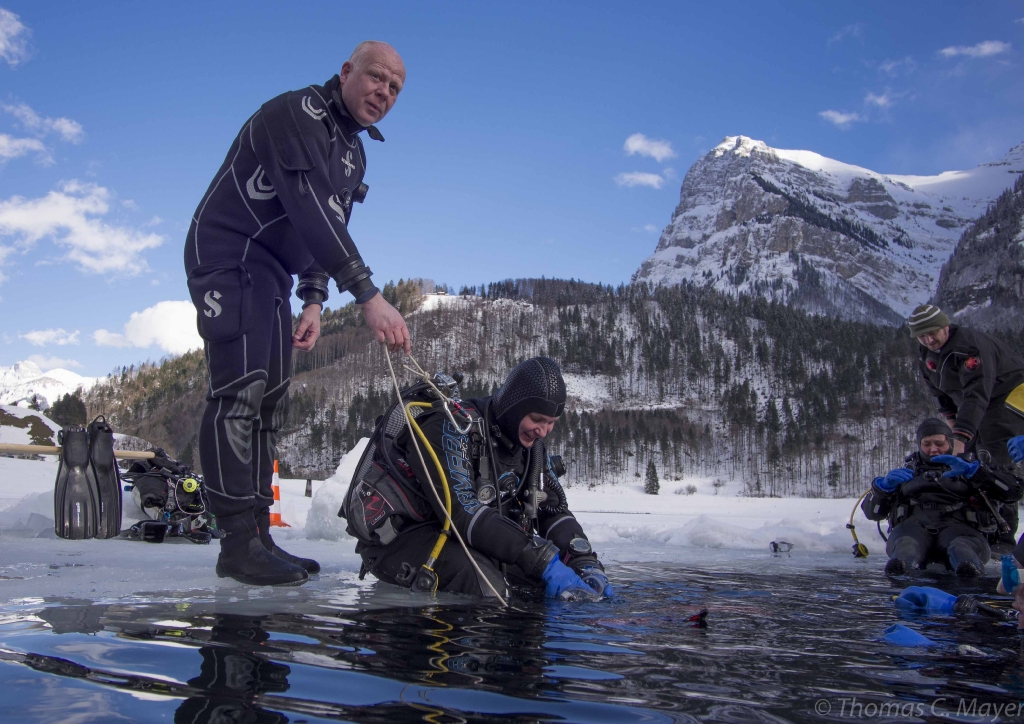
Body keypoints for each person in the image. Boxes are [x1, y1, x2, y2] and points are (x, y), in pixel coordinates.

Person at [184, 41, 412, 586]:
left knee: (269, 402)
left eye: (395, 88)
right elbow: (306, 201)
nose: (383, 91)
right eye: (376, 77)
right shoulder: (297, 113)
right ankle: (236, 544)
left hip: (273, 273)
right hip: (229, 251)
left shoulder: (354, 153)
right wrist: (367, 295)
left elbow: (329, 224)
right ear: (346, 71)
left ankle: (259, 536)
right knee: (239, 392)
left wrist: (313, 297)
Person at [348, 357, 613, 600]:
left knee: (542, 589)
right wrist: (542, 560)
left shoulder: (532, 450)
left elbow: (552, 510)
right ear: (515, 407)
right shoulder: (452, 427)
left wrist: (583, 560)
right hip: (405, 540)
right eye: (537, 419)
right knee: (489, 588)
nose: (543, 431)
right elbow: (463, 512)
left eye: (552, 422)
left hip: (466, 540)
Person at [861, 418, 1023, 577]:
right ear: (919, 445)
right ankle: (900, 571)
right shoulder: (905, 475)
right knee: (907, 548)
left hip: (962, 531)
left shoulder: (968, 469)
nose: (933, 449)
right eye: (927, 444)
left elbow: (1014, 492)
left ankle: (969, 571)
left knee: (961, 550)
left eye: (939, 443)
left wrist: (979, 473)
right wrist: (882, 489)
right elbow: (872, 513)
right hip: (911, 530)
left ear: (950, 443)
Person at [909, 304, 1024, 466]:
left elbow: (977, 391)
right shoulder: (927, 353)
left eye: (932, 333)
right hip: (976, 405)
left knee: (994, 452)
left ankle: (1004, 477)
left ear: (945, 326)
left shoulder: (969, 347)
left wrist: (960, 435)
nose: (929, 340)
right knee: (967, 457)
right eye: (922, 336)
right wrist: (951, 418)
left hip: (1009, 395)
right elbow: (937, 390)